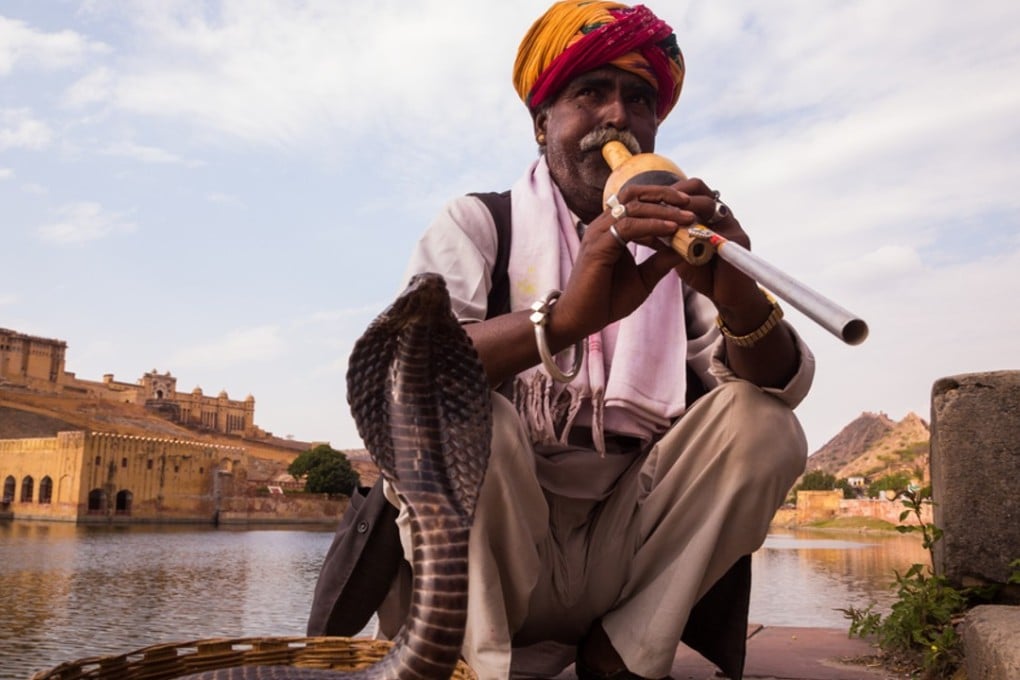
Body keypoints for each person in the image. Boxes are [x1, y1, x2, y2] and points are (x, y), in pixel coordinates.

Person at [308, 2, 815, 679]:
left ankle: (627, 654)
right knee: (464, 415)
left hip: (621, 549)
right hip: (491, 556)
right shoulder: (478, 222)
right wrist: (567, 320)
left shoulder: (679, 244)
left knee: (766, 424)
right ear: (541, 122)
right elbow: (411, 380)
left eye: (639, 100)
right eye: (590, 93)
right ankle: (481, 666)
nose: (617, 116)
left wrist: (736, 291)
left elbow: (776, 382)